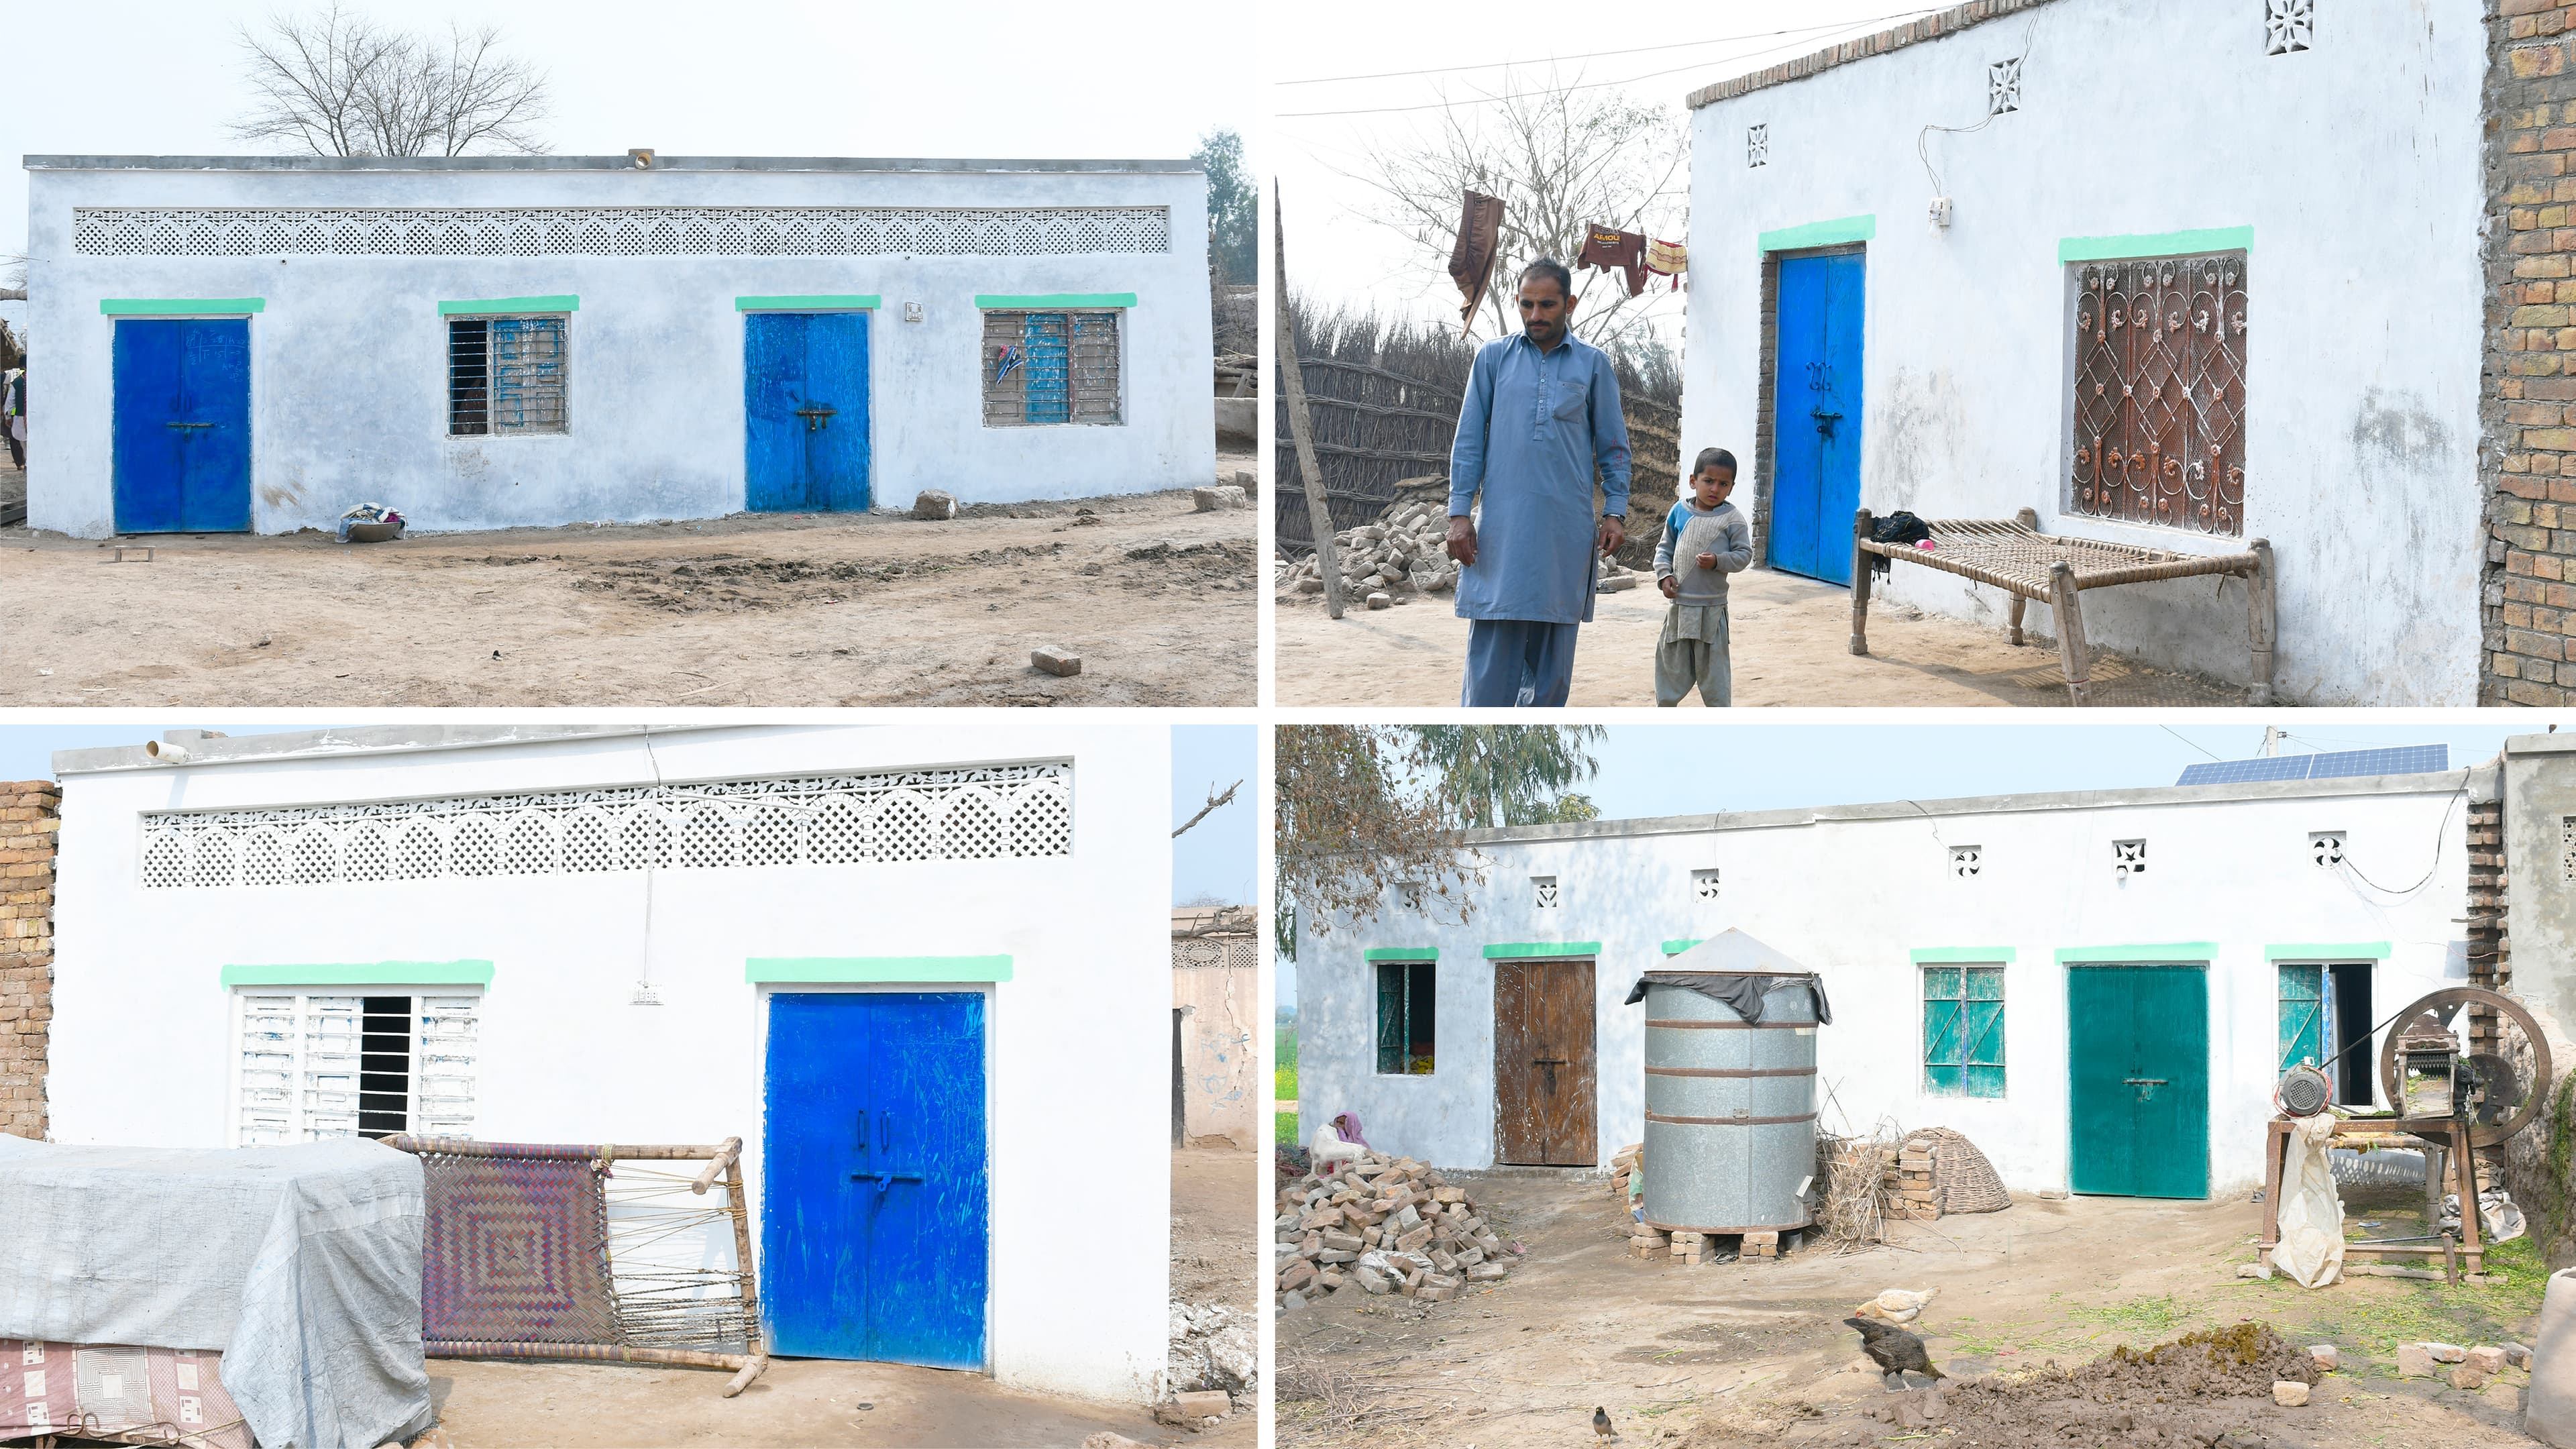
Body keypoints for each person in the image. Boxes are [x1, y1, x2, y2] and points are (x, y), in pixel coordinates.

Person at [1445, 259, 1632, 707]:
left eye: (1547, 305)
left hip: (1563, 538)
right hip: (1501, 538)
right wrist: (1458, 514)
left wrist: (1615, 511)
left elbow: (1614, 446)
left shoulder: (1592, 365)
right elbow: (1468, 441)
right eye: (1527, 304)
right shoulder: (1493, 359)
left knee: (1550, 682)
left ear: (1570, 303)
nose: (1536, 315)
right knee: (1489, 678)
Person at [1652, 447, 1753, 706]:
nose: (1715, 489)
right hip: (1680, 608)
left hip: (1712, 610)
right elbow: (1664, 549)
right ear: (1693, 481)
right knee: (1671, 667)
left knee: (1714, 674)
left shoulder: (1732, 519)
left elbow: (1744, 555)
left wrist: (1719, 561)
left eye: (1723, 484)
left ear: (1731, 488)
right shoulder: (1679, 512)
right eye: (1708, 481)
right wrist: (1664, 576)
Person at [1, 363, 21, 470]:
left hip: (14, 414)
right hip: (23, 413)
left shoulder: (11, 378)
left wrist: (7, 415)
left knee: (14, 438)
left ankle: (20, 463)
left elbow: (8, 399)